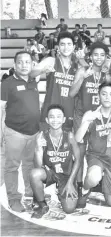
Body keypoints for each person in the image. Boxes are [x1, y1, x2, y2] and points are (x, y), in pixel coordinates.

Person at [69, 41, 110, 197]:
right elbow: (72, 93)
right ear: (90, 56)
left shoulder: (106, 75)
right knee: (79, 151)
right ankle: (79, 185)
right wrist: (82, 78)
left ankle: (97, 182)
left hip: (99, 119)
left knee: (98, 150)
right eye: (95, 55)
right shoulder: (82, 70)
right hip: (82, 116)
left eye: (102, 55)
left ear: (106, 57)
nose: (99, 58)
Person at [1, 51, 40, 212]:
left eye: (27, 62)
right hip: (14, 132)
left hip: (33, 132)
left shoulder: (33, 81)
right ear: (14, 65)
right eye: (20, 62)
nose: (24, 65)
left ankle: (30, 192)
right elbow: (1, 108)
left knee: (29, 165)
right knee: (12, 166)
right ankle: (14, 198)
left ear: (32, 65)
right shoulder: (7, 83)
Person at [76, 82, 111, 207]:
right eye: (104, 94)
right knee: (93, 177)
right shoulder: (90, 114)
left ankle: (103, 183)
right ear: (99, 96)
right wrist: (85, 122)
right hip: (96, 156)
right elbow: (77, 138)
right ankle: (85, 190)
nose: (107, 97)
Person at [30, 104, 81, 218]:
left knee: (69, 209)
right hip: (51, 173)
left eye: (58, 117)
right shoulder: (42, 136)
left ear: (63, 120)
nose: (55, 120)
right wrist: (38, 149)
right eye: (52, 117)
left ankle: (63, 190)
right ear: (47, 120)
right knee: (34, 174)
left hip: (66, 175)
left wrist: (70, 183)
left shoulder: (70, 136)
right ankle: (42, 203)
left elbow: (78, 160)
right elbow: (38, 167)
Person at [30, 31, 81, 132]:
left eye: (69, 44)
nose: (66, 47)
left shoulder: (78, 67)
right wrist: (42, 70)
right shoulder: (51, 61)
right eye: (62, 44)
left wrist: (82, 59)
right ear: (58, 47)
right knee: (46, 145)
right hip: (50, 113)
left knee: (67, 146)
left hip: (70, 112)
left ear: (74, 47)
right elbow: (30, 74)